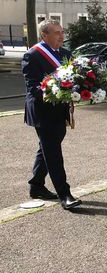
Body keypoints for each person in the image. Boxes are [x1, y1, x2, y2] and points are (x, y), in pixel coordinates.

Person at [22, 20, 81, 210]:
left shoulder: (65, 53)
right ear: (44, 35)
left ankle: (37, 185)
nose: (61, 36)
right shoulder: (33, 55)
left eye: (62, 32)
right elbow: (33, 88)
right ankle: (65, 195)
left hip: (60, 110)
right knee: (53, 152)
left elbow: (74, 78)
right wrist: (55, 91)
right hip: (43, 112)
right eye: (57, 33)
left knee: (46, 149)